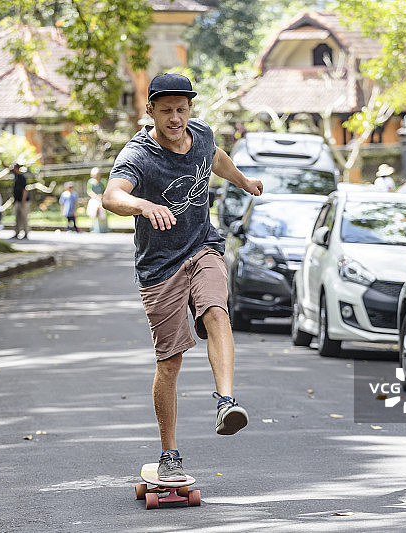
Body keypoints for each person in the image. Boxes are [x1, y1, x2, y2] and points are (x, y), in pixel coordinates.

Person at [103, 73, 263, 482]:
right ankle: (168, 453)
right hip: (159, 267)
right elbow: (112, 196)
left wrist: (242, 181)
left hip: (201, 245)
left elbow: (215, 156)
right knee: (170, 364)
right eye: (167, 110)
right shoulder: (139, 155)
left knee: (216, 312)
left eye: (182, 109)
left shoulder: (201, 134)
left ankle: (226, 402)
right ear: (151, 110)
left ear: (190, 109)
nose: (175, 118)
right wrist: (141, 205)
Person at [86, 167, 109, 233]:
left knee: (103, 215)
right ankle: (95, 229)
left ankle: (104, 229)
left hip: (102, 199)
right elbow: (89, 191)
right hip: (94, 200)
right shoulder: (90, 182)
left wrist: (101, 196)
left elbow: (106, 190)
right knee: (94, 214)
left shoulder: (103, 181)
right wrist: (95, 196)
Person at [11, 163, 29, 239]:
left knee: (24, 217)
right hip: (17, 200)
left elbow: (25, 190)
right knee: (17, 217)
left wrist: (23, 201)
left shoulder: (22, 177)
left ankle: (26, 233)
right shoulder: (16, 176)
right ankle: (17, 232)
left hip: (23, 201)